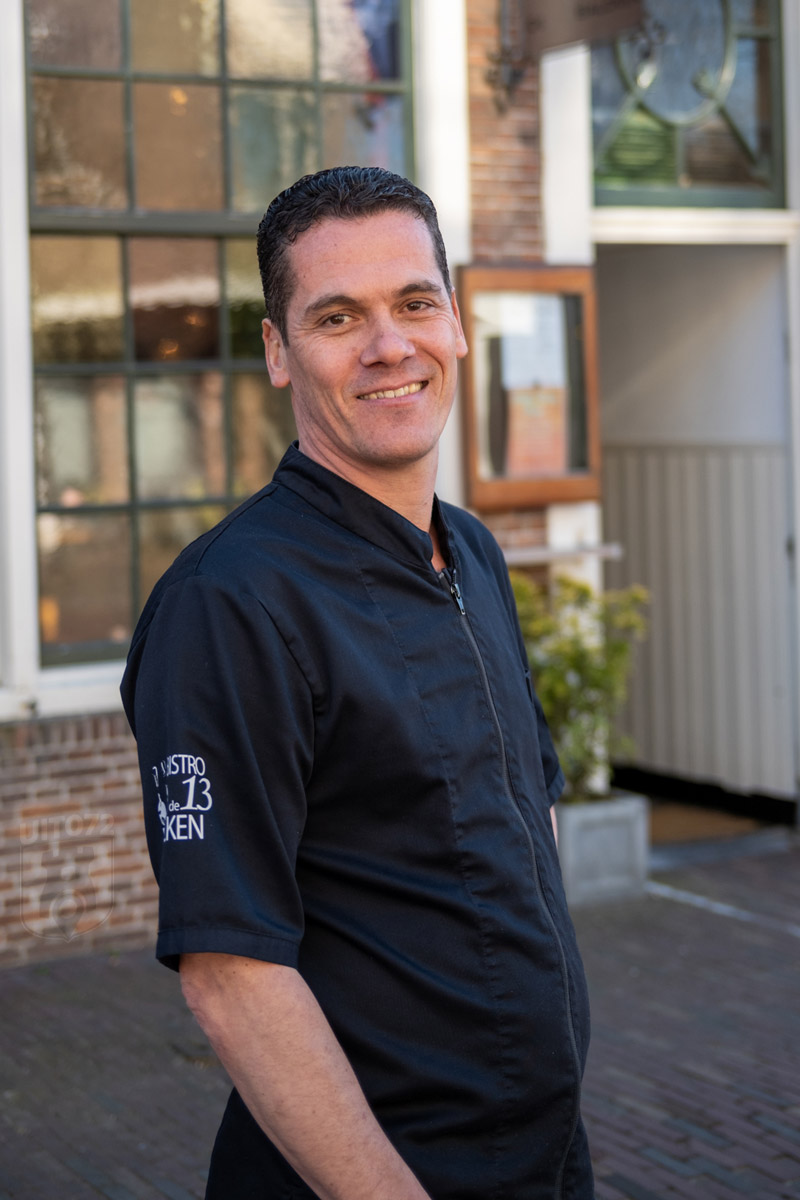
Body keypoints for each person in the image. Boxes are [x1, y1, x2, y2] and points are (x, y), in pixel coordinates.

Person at [121, 165, 595, 1200]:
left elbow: (528, 810)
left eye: (415, 303)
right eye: (337, 317)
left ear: (455, 324)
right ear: (276, 353)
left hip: (543, 1154)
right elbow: (230, 975)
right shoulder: (229, 603)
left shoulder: (469, 553)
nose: (389, 346)